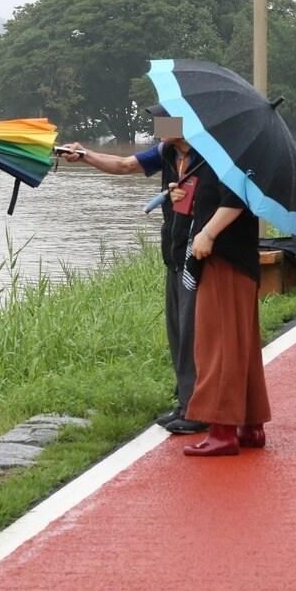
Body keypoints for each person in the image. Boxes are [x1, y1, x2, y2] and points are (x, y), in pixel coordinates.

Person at [62, 116, 207, 434]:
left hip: (198, 255)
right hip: (173, 251)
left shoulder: (209, 156)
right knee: (178, 332)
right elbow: (124, 165)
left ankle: (200, 407)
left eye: (166, 119)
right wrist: (84, 155)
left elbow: (224, 202)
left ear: (185, 123)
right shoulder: (167, 152)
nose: (160, 126)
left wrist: (193, 202)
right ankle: (186, 401)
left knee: (194, 333)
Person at [179, 156, 270, 456]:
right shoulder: (229, 152)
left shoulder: (227, 152)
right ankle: (250, 424)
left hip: (224, 258)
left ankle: (221, 430)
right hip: (239, 259)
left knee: (217, 344)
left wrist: (207, 233)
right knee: (240, 343)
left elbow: (236, 198)